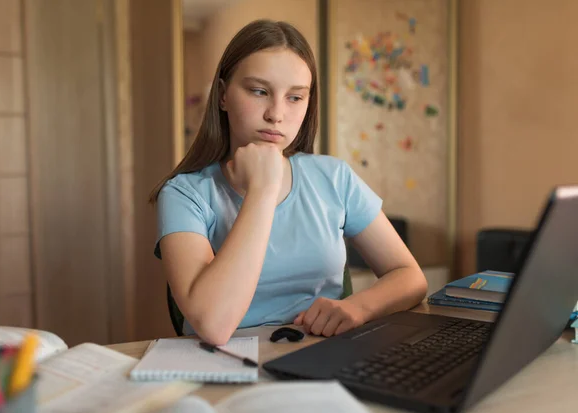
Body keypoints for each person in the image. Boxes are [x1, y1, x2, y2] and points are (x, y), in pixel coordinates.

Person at [150, 20, 427, 346]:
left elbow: (410, 277)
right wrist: (262, 191)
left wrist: (358, 308)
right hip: (224, 372)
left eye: (295, 97)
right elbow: (213, 325)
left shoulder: (334, 177)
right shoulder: (183, 194)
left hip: (321, 360)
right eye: (259, 91)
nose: (276, 114)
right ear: (223, 95)